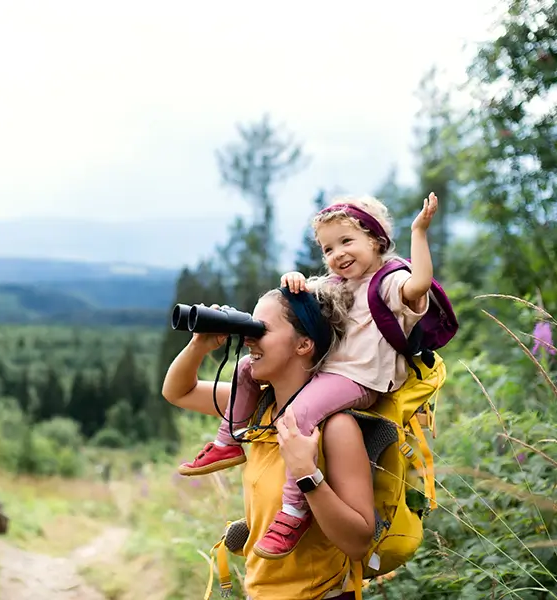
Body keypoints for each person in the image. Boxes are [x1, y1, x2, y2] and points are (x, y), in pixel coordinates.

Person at [178, 192, 441, 559]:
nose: (338, 254)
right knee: (244, 369)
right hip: (328, 375)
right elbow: (292, 306)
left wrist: (420, 233)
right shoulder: (336, 285)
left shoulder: (388, 282)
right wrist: (296, 279)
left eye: (347, 241)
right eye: (328, 248)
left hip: (359, 379)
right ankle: (229, 441)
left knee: (298, 414)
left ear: (377, 240)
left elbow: (420, 285)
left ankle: (293, 511)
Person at [162, 286, 374, 599]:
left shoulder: (336, 428)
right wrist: (200, 345)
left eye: (262, 329)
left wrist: (308, 475)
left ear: (303, 344)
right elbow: (178, 392)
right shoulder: (259, 409)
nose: (248, 338)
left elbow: (358, 542)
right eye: (249, 326)